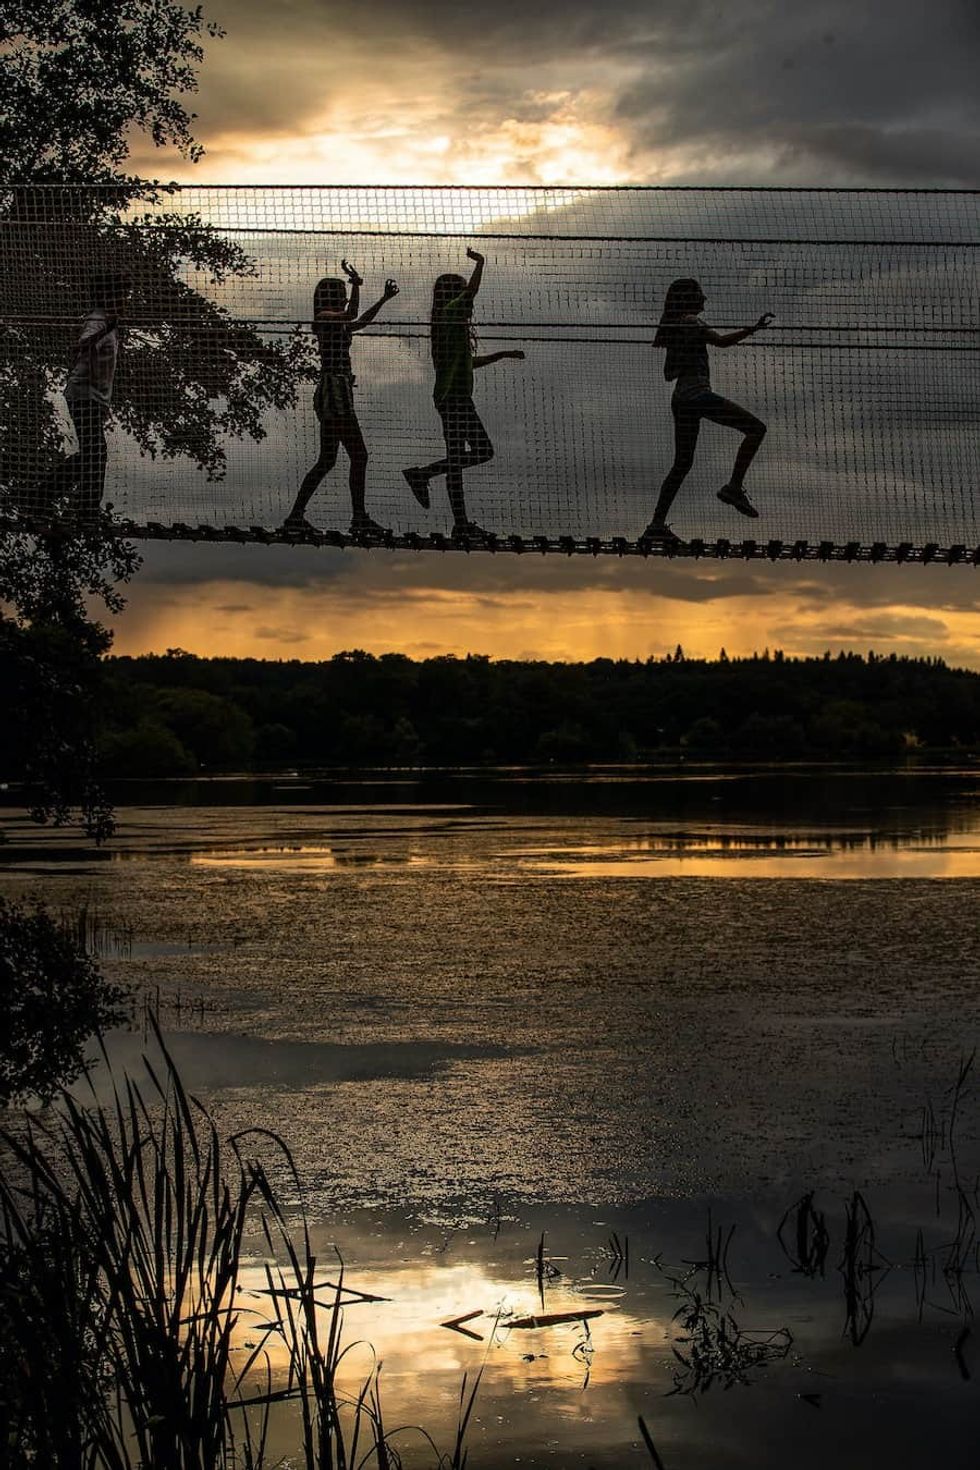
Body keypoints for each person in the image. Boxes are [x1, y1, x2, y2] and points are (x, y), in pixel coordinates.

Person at [402, 248, 524, 540]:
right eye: (459, 293)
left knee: (457, 458)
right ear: (452, 295)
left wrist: (502, 354)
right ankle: (424, 476)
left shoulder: (448, 324)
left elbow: (469, 362)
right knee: (481, 451)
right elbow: (471, 292)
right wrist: (480, 263)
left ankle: (460, 522)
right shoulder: (451, 313)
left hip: (449, 398)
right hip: (454, 398)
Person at [641, 278, 773, 547]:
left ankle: (656, 525)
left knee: (682, 464)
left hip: (680, 400)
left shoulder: (675, 327)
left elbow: (669, 375)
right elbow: (722, 342)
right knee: (756, 429)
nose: (705, 299)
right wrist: (753, 329)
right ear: (690, 299)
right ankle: (733, 488)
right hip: (698, 396)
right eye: (701, 294)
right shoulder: (691, 322)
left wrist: (688, 354)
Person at [284, 260, 399, 536]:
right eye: (343, 294)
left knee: (329, 460)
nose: (346, 297)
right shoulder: (324, 317)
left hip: (337, 390)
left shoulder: (334, 321)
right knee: (357, 455)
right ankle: (357, 518)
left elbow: (359, 321)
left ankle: (297, 516)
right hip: (334, 391)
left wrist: (383, 299)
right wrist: (357, 285)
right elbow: (352, 314)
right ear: (334, 296)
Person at [39, 271, 131, 523]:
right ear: (109, 297)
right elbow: (82, 345)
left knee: (93, 453)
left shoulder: (107, 321)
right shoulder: (98, 321)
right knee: (95, 453)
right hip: (83, 395)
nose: (125, 300)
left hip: (93, 397)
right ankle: (80, 507)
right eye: (122, 295)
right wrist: (104, 330)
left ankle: (56, 498)